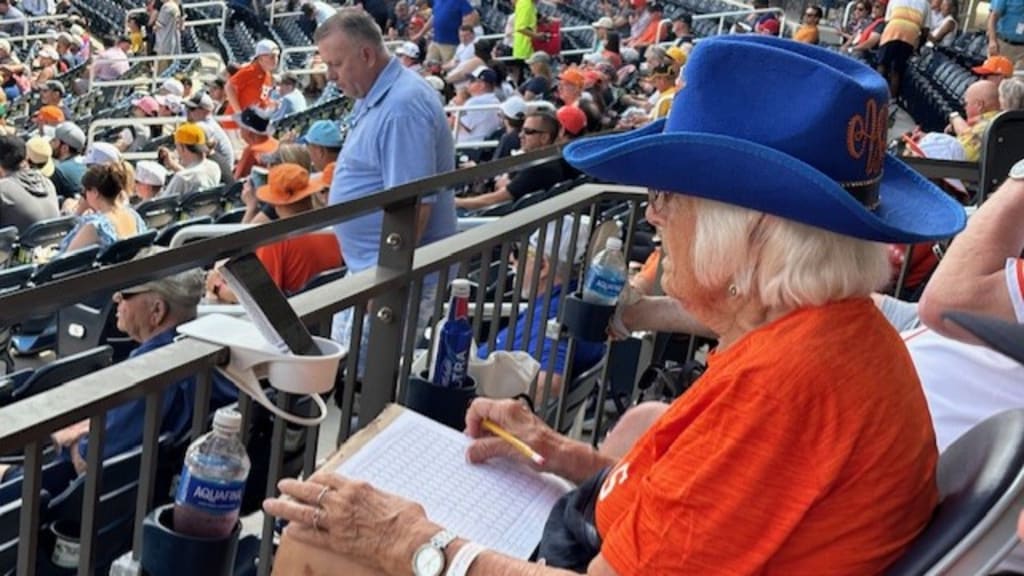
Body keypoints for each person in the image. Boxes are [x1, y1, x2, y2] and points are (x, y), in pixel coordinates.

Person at [264, 35, 966, 575]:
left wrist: (414, 543)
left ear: (749, 236)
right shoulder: (816, 338)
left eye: (669, 198)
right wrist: (556, 452)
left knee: (317, 540)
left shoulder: (792, 388)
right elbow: (703, 508)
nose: (655, 219)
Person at [0, 250, 238, 483]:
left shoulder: (150, 372)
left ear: (157, 310)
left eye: (126, 292)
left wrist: (71, 437)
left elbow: (86, 460)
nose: (116, 298)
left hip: (67, 497)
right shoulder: (211, 352)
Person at [315, 8, 456, 374]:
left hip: (390, 279)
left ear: (366, 54)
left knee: (363, 384)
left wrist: (385, 283)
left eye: (337, 64)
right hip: (371, 270)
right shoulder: (380, 92)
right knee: (348, 375)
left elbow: (413, 207)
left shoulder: (402, 107)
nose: (331, 76)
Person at [478, 215, 604, 401]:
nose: (512, 260)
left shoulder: (552, 317)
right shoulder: (572, 304)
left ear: (543, 266)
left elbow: (550, 384)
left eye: (519, 253)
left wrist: (489, 405)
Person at [207, 163, 341, 300]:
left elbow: (262, 299)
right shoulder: (333, 230)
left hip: (295, 315)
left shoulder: (275, 241)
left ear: (275, 203)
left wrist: (218, 288)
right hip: (326, 313)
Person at [455, 111, 567, 211]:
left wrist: (458, 202)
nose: (520, 135)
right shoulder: (551, 158)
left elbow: (494, 199)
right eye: (522, 130)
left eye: (528, 131)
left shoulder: (540, 167)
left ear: (544, 138)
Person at [59, 163, 146, 253]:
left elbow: (66, 257)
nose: (84, 196)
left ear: (95, 192)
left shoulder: (96, 226)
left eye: (85, 191)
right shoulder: (134, 216)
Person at [0, 135, 59, 233]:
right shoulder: (47, 183)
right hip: (54, 245)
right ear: (25, 158)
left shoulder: (2, 190)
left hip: (19, 247)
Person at [225, 39, 279, 127]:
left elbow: (261, 100)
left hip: (248, 125)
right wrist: (239, 113)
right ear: (261, 57)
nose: (276, 60)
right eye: (272, 56)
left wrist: (271, 104)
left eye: (277, 56)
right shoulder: (251, 70)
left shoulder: (268, 76)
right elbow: (229, 86)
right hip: (234, 124)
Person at [158, 123, 222, 197]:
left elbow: (162, 205)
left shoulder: (182, 178)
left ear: (182, 147)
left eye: (176, 145)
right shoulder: (214, 167)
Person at [50, 122, 87, 201]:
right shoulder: (88, 163)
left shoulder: (59, 171)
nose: (51, 142)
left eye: (55, 140)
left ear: (64, 148)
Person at [987, 0, 1024, 67]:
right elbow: (993, 17)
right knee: (997, 73)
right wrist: (992, 41)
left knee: (1018, 76)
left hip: (1021, 50)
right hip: (1003, 45)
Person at [153, 0, 182, 74]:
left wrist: (153, 28)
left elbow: (159, 25)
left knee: (161, 72)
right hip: (171, 41)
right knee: (168, 71)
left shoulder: (167, 7)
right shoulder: (175, 5)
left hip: (164, 42)